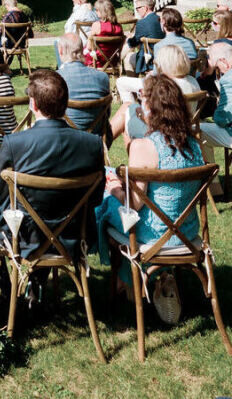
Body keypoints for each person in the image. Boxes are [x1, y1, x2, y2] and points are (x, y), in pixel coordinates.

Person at [96, 73, 205, 323]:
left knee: (105, 204)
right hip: (187, 233)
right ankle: (155, 277)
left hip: (153, 236)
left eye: (142, 100)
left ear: (150, 107)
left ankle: (128, 280)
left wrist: (113, 188)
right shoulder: (194, 145)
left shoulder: (143, 147)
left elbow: (132, 205)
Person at [0, 69, 105, 255]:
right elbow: (96, 198)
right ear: (66, 104)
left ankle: (0, 279)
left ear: (33, 104)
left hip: (25, 236)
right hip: (73, 235)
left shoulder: (14, 143)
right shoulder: (92, 144)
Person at [111, 43, 198, 143]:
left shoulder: (166, 86)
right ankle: (102, 142)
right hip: (184, 129)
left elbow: (154, 118)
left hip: (161, 133)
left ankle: (102, 143)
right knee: (127, 110)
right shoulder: (193, 81)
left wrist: (139, 113)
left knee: (126, 111)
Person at [56, 32, 110, 131]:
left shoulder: (54, 79)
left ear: (60, 51)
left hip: (66, 139)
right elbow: (107, 114)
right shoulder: (103, 77)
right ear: (82, 49)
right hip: (97, 137)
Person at [199, 41, 232, 162]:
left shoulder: (228, 79)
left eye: (217, 67)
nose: (219, 72)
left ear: (224, 62)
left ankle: (213, 178)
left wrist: (218, 109)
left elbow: (222, 119)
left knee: (196, 130)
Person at [122, 0, 163, 75]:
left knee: (128, 58)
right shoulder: (162, 19)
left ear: (145, 8)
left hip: (149, 58)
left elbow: (133, 43)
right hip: (163, 56)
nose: (136, 11)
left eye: (137, 8)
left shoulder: (142, 22)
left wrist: (128, 39)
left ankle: (133, 85)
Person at [84, 0, 124, 68]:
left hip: (97, 60)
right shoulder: (119, 26)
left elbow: (89, 47)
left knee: (80, 52)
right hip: (113, 60)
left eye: (96, 10)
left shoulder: (97, 25)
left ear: (102, 11)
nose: (95, 12)